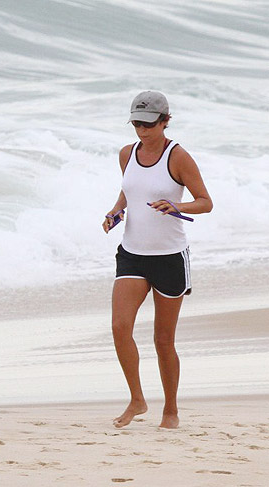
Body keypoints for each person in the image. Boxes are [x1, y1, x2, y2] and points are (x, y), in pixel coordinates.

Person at [102, 91, 213, 429]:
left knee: (163, 341)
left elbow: (205, 202)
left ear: (166, 121)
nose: (142, 131)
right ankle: (137, 400)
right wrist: (116, 210)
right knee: (120, 328)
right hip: (132, 255)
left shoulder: (178, 158)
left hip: (169, 258)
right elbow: (129, 189)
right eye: (136, 123)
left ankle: (171, 410)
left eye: (149, 124)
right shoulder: (127, 154)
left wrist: (176, 206)